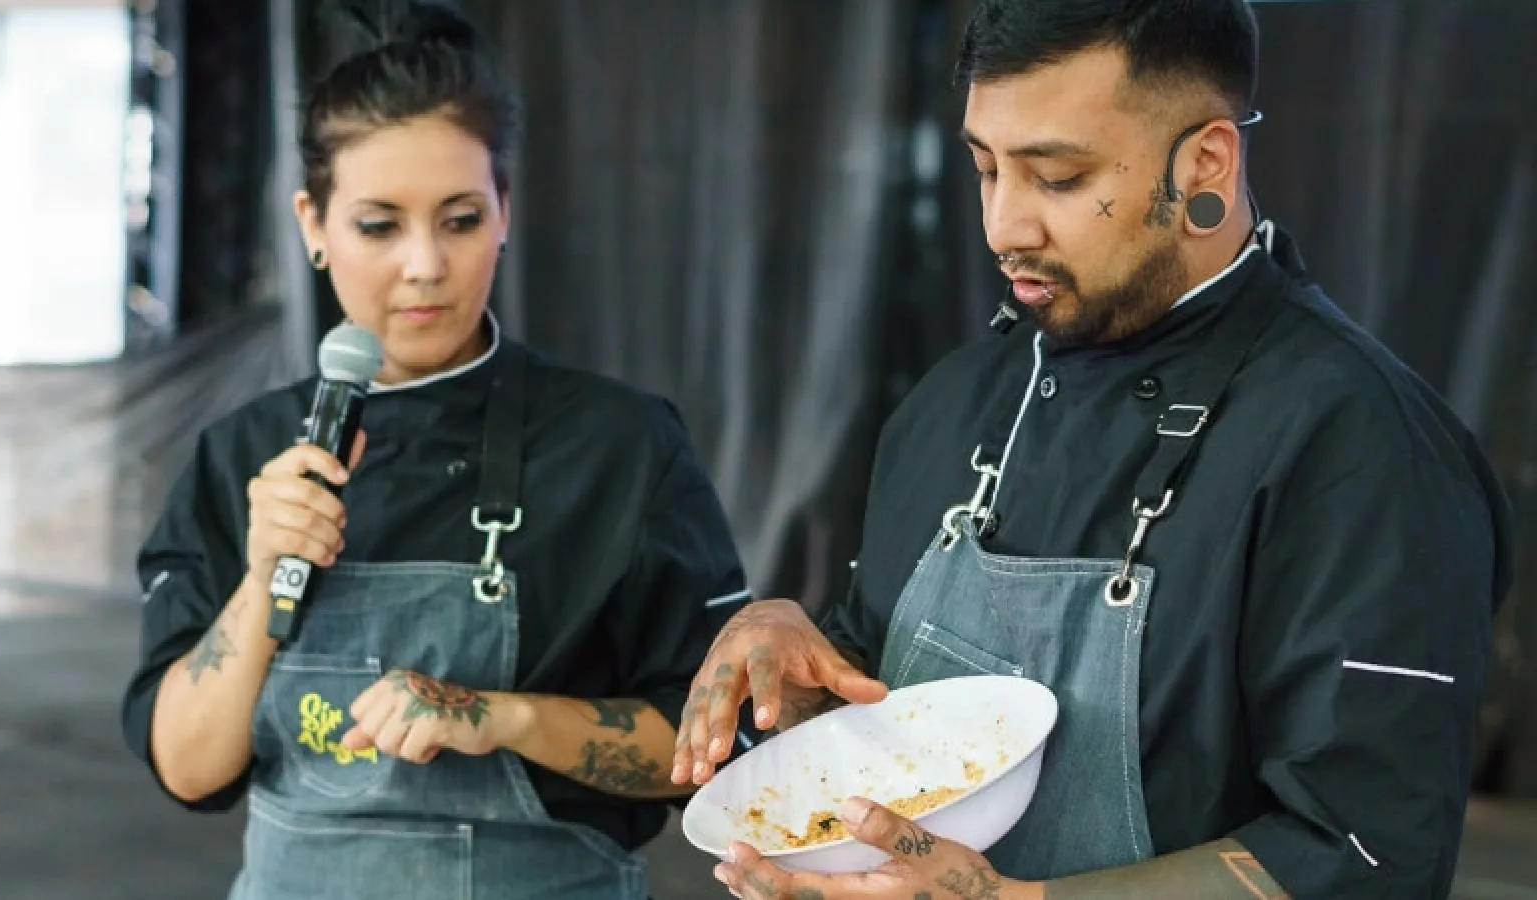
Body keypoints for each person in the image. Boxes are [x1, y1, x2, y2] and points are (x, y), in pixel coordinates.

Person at [672, 1, 1513, 898]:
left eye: (1059, 178)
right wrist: (805, 690)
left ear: (1205, 165)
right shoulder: (951, 403)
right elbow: (885, 688)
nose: (1004, 228)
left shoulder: (1363, 448)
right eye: (985, 169)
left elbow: (1367, 854)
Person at [119, 3, 751, 898]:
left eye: (459, 220)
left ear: (504, 213)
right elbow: (188, 769)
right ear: (313, 224)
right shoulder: (242, 454)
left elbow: (715, 746)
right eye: (378, 225)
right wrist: (264, 579)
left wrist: (503, 717)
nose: (424, 265)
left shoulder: (618, 448)